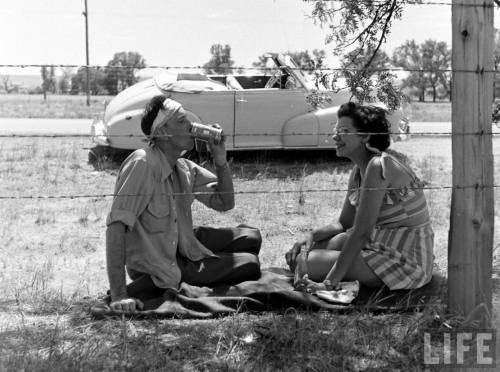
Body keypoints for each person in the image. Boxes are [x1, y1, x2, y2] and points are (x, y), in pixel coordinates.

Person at [106, 95, 261, 312]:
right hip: (163, 263)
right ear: (162, 133)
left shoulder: (183, 167)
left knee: (252, 237)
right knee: (250, 264)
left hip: (182, 240)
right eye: (181, 121)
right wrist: (119, 295)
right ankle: (157, 282)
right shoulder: (142, 163)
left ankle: (203, 261)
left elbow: (225, 203)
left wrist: (220, 160)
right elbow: (116, 227)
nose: (191, 125)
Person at [286, 101, 434, 293]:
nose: (335, 136)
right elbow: (344, 224)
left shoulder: (378, 165)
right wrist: (310, 236)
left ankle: (333, 274)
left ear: (365, 136)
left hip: (406, 260)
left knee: (307, 263)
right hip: (379, 244)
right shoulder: (360, 170)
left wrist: (328, 284)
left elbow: (361, 233)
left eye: (344, 131)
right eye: (336, 129)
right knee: (302, 253)